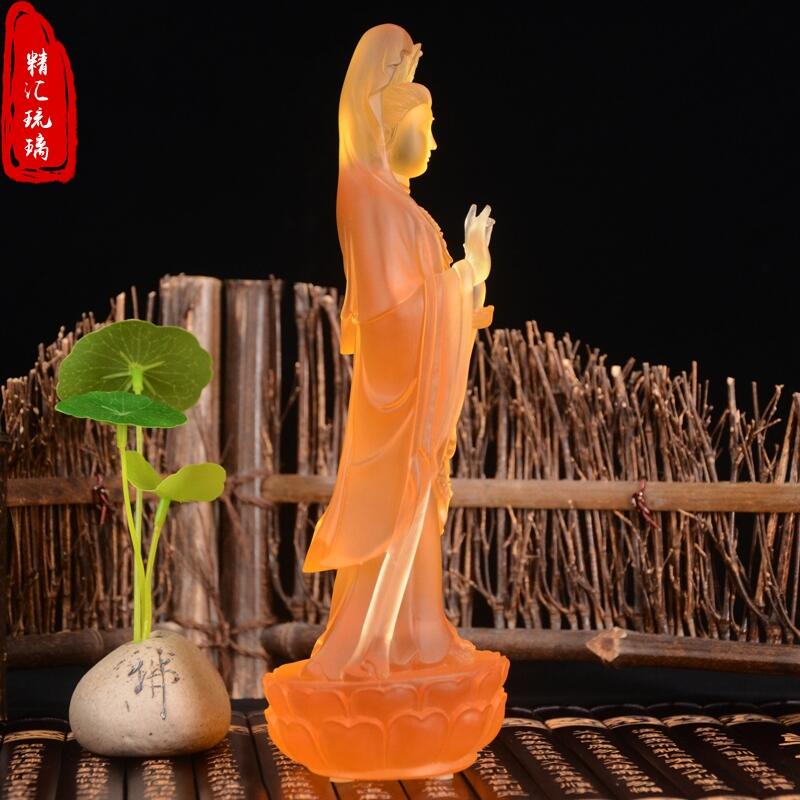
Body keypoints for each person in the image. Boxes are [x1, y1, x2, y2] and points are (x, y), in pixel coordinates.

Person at [301, 31, 495, 681]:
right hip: (396, 396)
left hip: (413, 390)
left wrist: (465, 283)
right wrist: (464, 277)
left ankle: (415, 639)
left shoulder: (398, 202)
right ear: (386, 126)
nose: (435, 143)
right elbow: (393, 315)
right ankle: (366, 653)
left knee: (413, 522)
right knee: (395, 512)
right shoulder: (368, 196)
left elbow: (425, 300)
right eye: (425, 127)